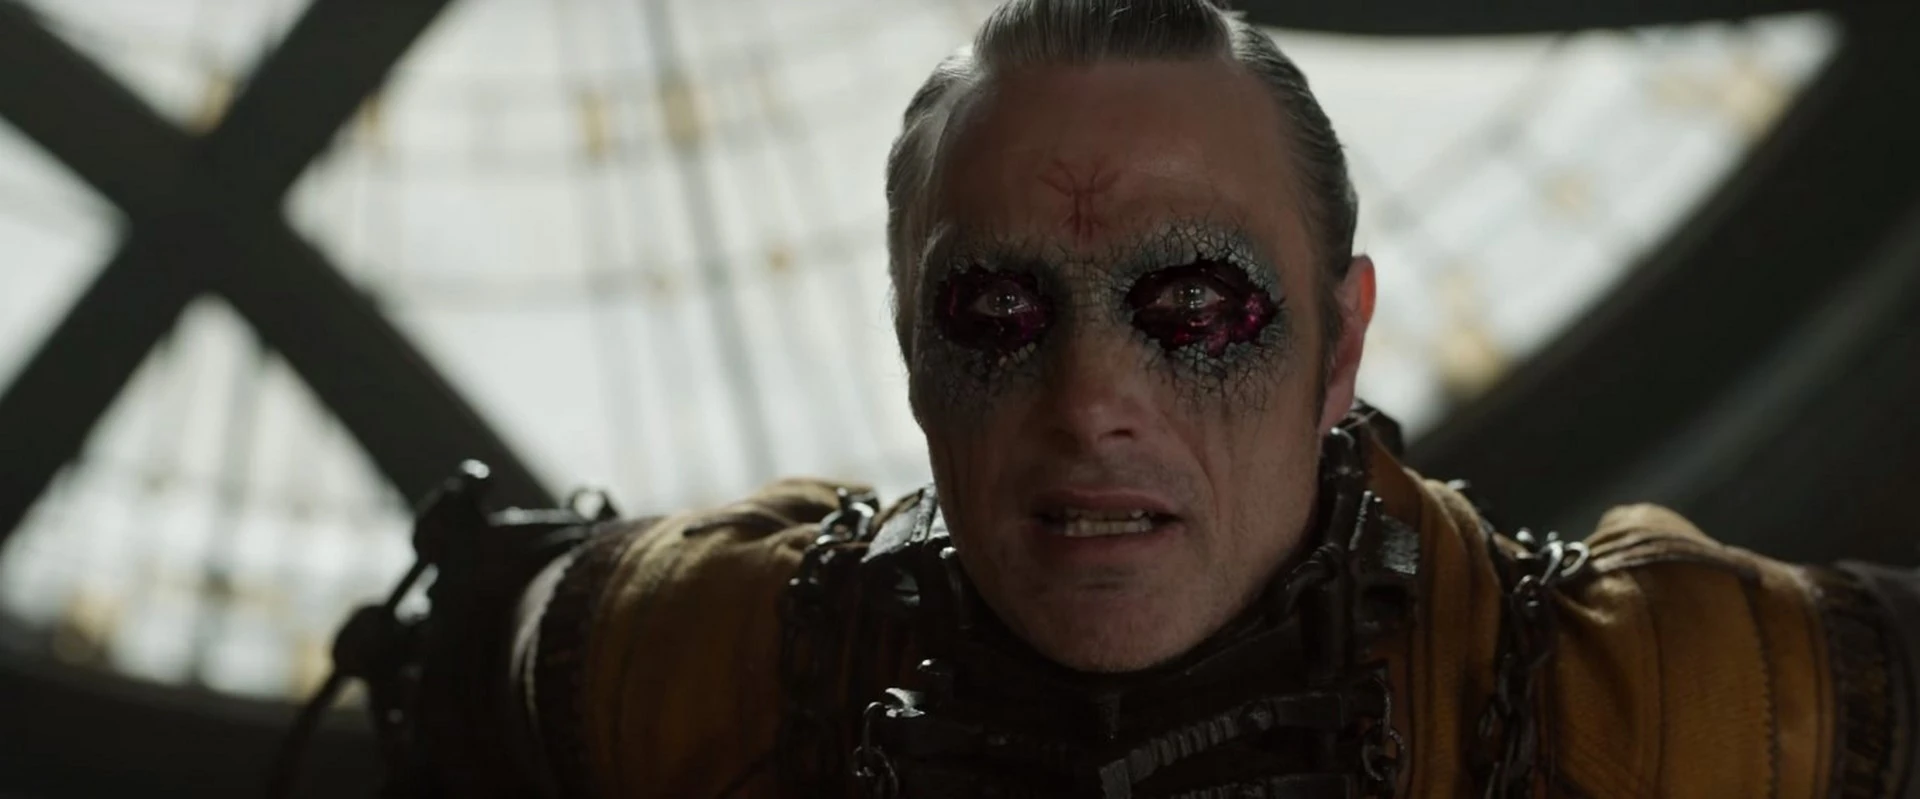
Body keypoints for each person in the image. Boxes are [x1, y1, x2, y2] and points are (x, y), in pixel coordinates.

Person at [402, 1, 1920, 796]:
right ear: (914, 353)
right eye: (996, 315)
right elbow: (492, 640)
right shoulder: (687, 657)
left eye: (1197, 309)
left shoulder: (1680, 707)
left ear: (1340, 348)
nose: (1090, 402)